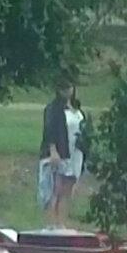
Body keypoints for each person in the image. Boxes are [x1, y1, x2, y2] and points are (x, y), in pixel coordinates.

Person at [40, 80, 86, 228]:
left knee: (67, 190)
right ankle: (51, 223)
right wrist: (53, 151)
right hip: (61, 151)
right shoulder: (53, 109)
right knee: (55, 189)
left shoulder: (77, 109)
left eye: (69, 87)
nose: (67, 91)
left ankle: (62, 224)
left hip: (75, 152)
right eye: (63, 88)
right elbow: (49, 130)